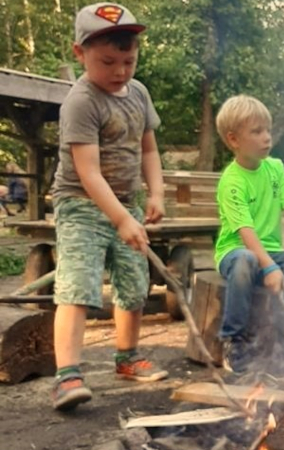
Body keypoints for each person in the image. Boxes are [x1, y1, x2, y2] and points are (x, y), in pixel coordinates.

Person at [50, 2, 168, 412]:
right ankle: (67, 376)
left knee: (135, 283)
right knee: (77, 287)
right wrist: (119, 218)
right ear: (79, 53)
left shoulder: (138, 94)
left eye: (128, 61)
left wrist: (155, 194)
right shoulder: (81, 102)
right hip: (82, 204)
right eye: (107, 62)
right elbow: (88, 173)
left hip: (126, 203)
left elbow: (149, 149)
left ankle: (128, 357)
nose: (120, 71)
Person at [214, 94, 284, 374]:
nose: (267, 138)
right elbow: (246, 232)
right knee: (245, 262)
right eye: (256, 131)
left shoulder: (275, 168)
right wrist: (270, 266)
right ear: (234, 140)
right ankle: (234, 341)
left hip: (271, 253)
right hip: (235, 252)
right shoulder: (232, 180)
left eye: (268, 130)